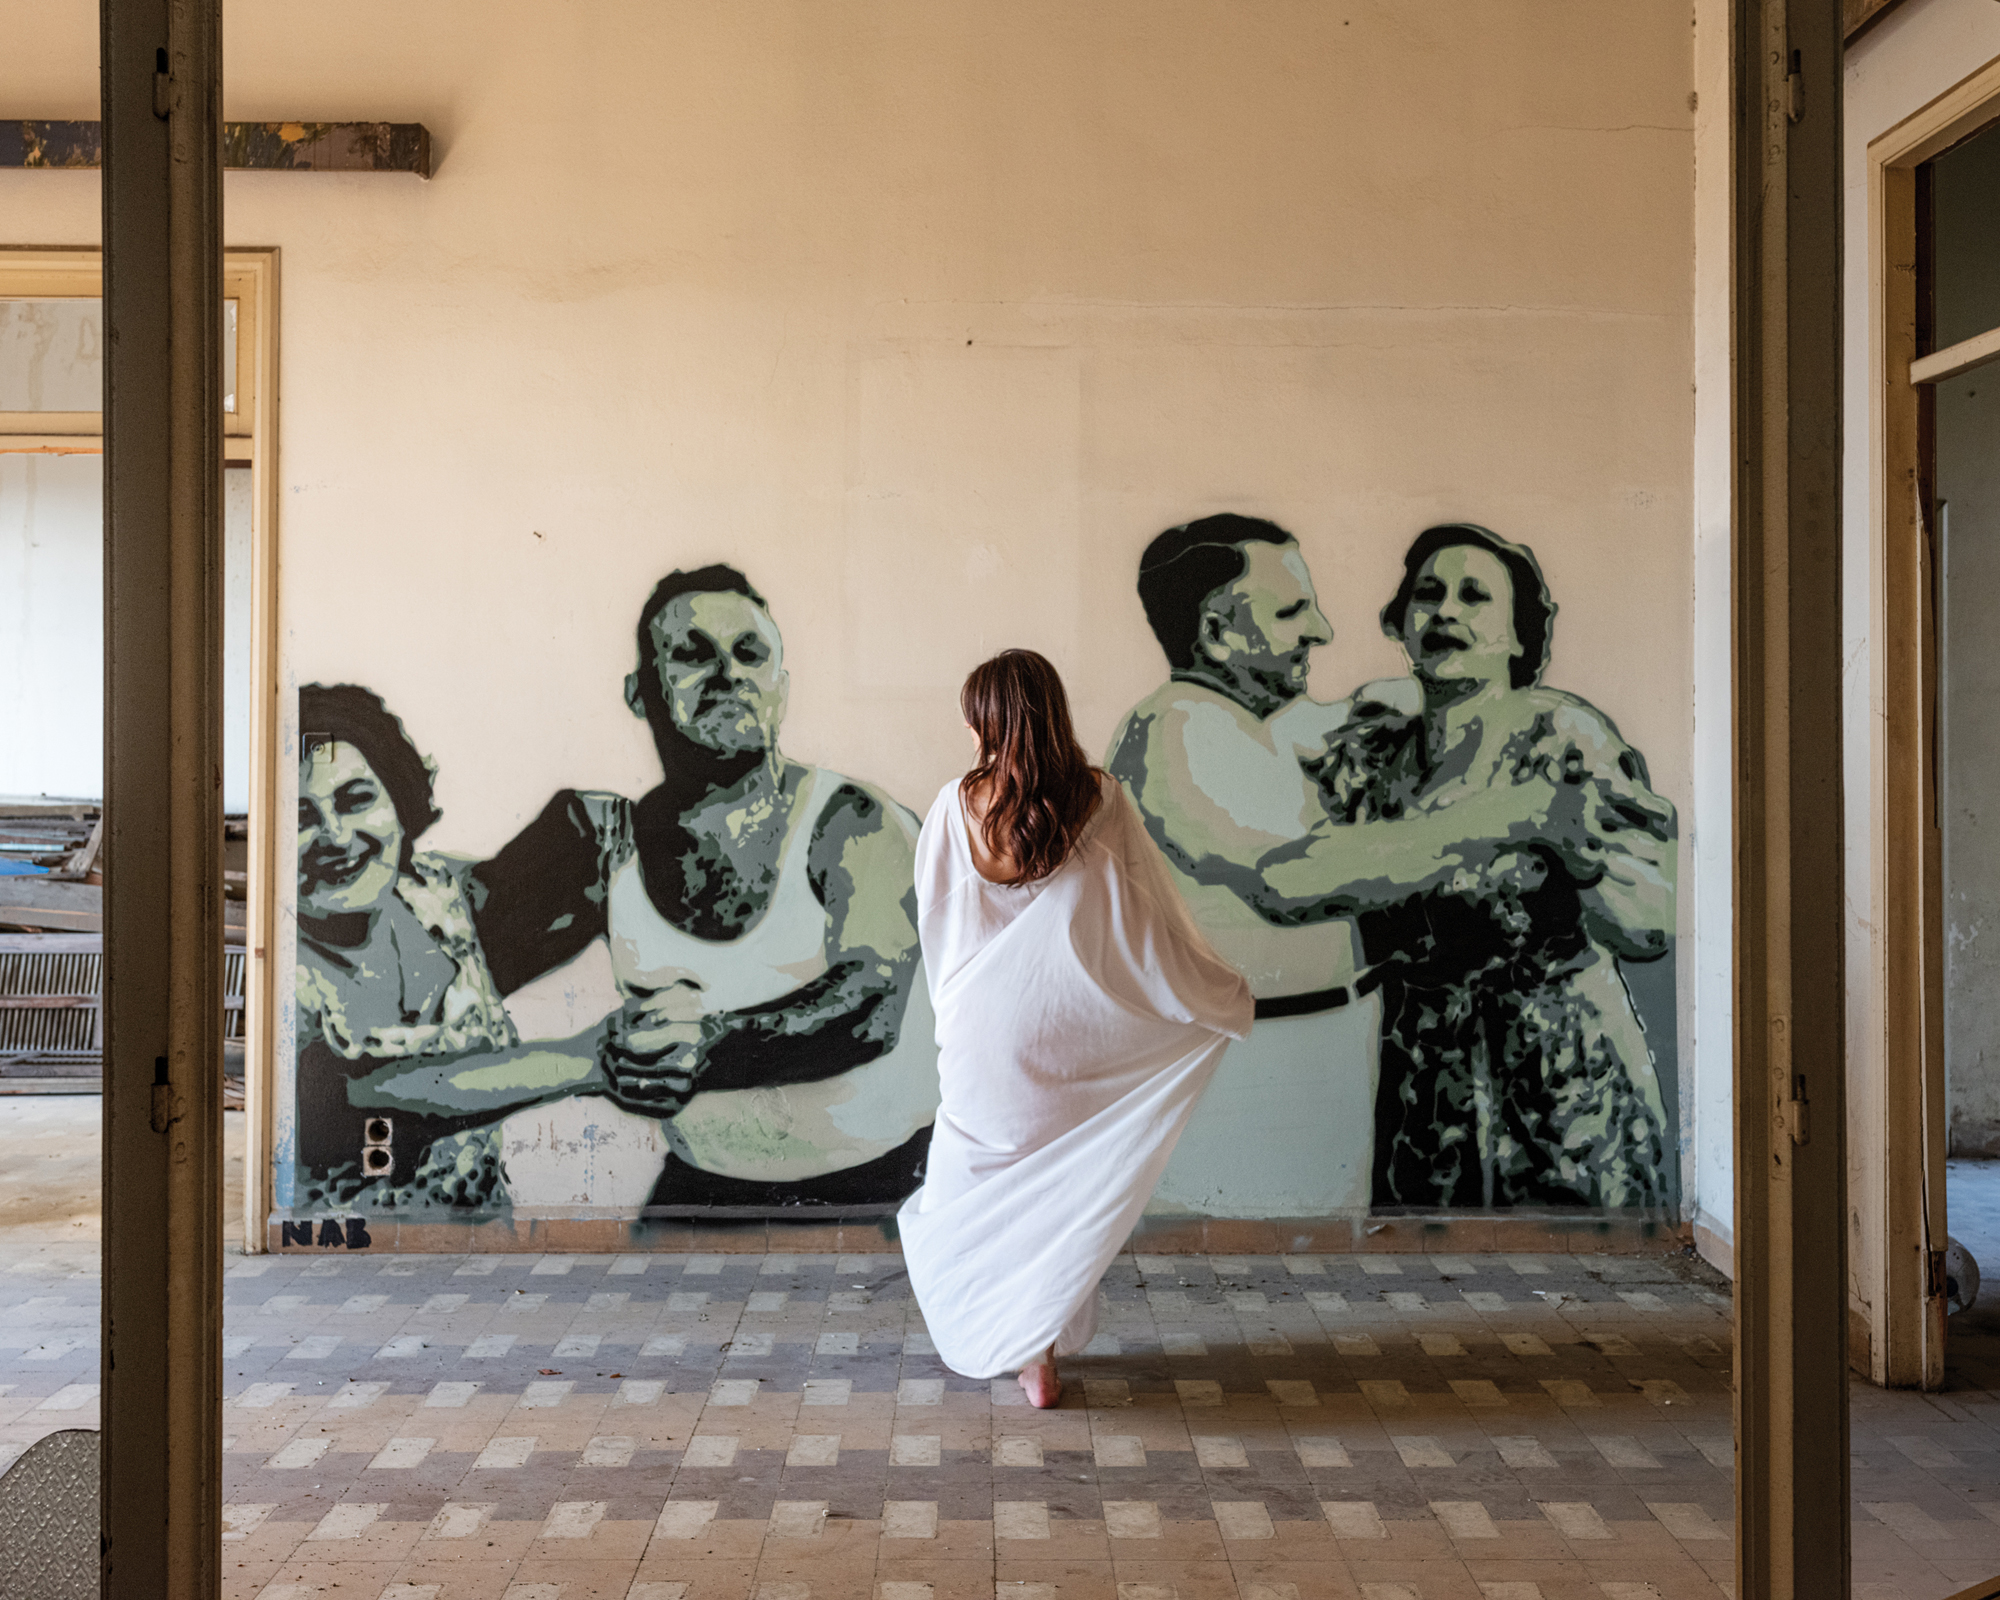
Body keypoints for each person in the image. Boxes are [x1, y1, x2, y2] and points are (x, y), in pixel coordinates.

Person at [1106, 513, 1586, 1214]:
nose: (1321, 631)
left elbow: (1374, 715)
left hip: (1325, 1055)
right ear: (1216, 633)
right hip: (1237, 1080)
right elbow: (1289, 880)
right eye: (1292, 611)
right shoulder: (1173, 731)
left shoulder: (1275, 725)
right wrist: (1513, 814)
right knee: (1256, 1277)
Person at [469, 565, 939, 1208]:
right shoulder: (606, 843)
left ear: (782, 687)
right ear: (640, 694)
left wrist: (702, 1047)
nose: (729, 673)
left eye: (750, 654)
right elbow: (462, 973)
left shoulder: (851, 820)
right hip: (706, 1184)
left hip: (890, 1186)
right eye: (692, 654)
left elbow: (869, 1008)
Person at [899, 650, 1253, 1406]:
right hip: (1072, 1028)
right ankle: (1041, 1359)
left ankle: (1009, 1335)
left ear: (987, 721)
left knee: (972, 1185)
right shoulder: (1098, 799)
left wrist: (958, 1006)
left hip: (983, 1037)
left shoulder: (955, 806)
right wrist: (1209, 991)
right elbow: (1147, 924)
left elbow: (935, 920)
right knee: (1057, 1190)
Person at [1316, 524, 1677, 1208]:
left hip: (1568, 1093)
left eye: (1474, 596)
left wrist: (1584, 861)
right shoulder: (1374, 757)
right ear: (1402, 622)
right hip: (1426, 1098)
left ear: (1518, 637)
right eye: (1429, 594)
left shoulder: (1566, 737)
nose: (1446, 611)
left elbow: (1650, 925)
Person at [293, 684, 614, 1211]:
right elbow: (376, 1093)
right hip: (346, 1275)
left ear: (399, 801)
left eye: (357, 800)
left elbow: (586, 838)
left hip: (482, 1263)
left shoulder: (440, 897)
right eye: (303, 817)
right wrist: (589, 1059)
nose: (336, 835)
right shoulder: (287, 974)